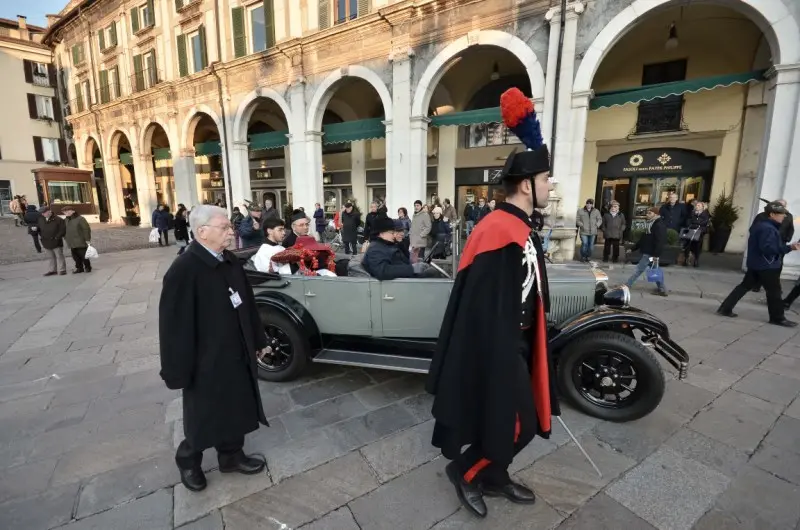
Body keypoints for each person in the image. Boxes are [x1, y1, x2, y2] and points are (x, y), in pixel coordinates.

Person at [426, 87, 558, 518]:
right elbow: (481, 306)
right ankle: (466, 472)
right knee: (515, 423)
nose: (550, 187)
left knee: (527, 418)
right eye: (545, 180)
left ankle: (495, 476)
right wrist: (500, 351)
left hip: (517, 344)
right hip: (497, 348)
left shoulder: (519, 224)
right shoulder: (498, 229)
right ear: (526, 185)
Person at [159, 205, 268, 493]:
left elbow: (247, 305)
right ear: (202, 232)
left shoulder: (229, 261)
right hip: (204, 360)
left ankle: (231, 456)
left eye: (230, 227)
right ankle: (188, 461)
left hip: (237, 351)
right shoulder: (184, 269)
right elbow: (172, 327)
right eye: (225, 227)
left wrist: (258, 341)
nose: (231, 232)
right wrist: (176, 370)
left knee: (236, 406)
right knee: (203, 416)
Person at [718, 201, 800, 327]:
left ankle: (725, 308)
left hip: (757, 263)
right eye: (781, 214)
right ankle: (777, 318)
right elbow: (767, 249)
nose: (783, 217)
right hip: (767, 265)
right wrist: (789, 248)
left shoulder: (762, 225)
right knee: (774, 291)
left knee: (744, 286)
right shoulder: (767, 228)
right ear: (772, 214)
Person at [362, 214, 429, 280]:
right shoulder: (376, 248)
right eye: (392, 233)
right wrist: (412, 269)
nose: (394, 235)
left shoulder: (388, 244)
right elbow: (382, 271)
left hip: (406, 279)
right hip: (401, 283)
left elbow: (403, 260)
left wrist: (414, 260)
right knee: (433, 273)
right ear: (381, 234)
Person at [625, 206, 667, 296]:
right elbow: (643, 240)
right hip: (649, 252)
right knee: (655, 271)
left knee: (639, 270)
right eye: (647, 213)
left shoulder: (659, 225)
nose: (647, 215)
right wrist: (632, 248)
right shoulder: (650, 224)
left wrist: (656, 255)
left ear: (656, 214)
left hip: (650, 253)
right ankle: (662, 289)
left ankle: (627, 285)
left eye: (649, 213)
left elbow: (660, 241)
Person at [37, 207, 67, 276]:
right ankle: (52, 270)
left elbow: (63, 229)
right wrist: (40, 234)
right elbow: (39, 229)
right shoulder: (41, 219)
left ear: (49, 211)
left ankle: (62, 270)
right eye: (42, 213)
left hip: (56, 241)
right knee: (51, 257)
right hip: (46, 241)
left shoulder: (58, 219)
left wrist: (57, 237)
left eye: (44, 212)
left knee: (59, 256)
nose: (43, 214)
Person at [63, 205, 92, 273]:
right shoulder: (66, 220)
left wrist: (87, 239)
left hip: (80, 241)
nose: (65, 213)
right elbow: (64, 230)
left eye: (67, 211)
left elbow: (86, 229)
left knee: (84, 255)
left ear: (73, 211)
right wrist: (65, 237)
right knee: (75, 257)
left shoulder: (80, 219)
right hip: (71, 241)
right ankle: (79, 268)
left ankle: (88, 267)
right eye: (64, 212)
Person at [683, 201, 710, 267]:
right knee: (688, 245)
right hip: (691, 231)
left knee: (697, 247)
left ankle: (696, 260)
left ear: (703, 207)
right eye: (696, 205)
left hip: (699, 232)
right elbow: (688, 221)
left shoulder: (705, 214)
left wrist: (696, 223)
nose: (697, 206)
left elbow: (704, 223)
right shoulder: (692, 213)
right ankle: (686, 259)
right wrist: (696, 223)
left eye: (699, 205)